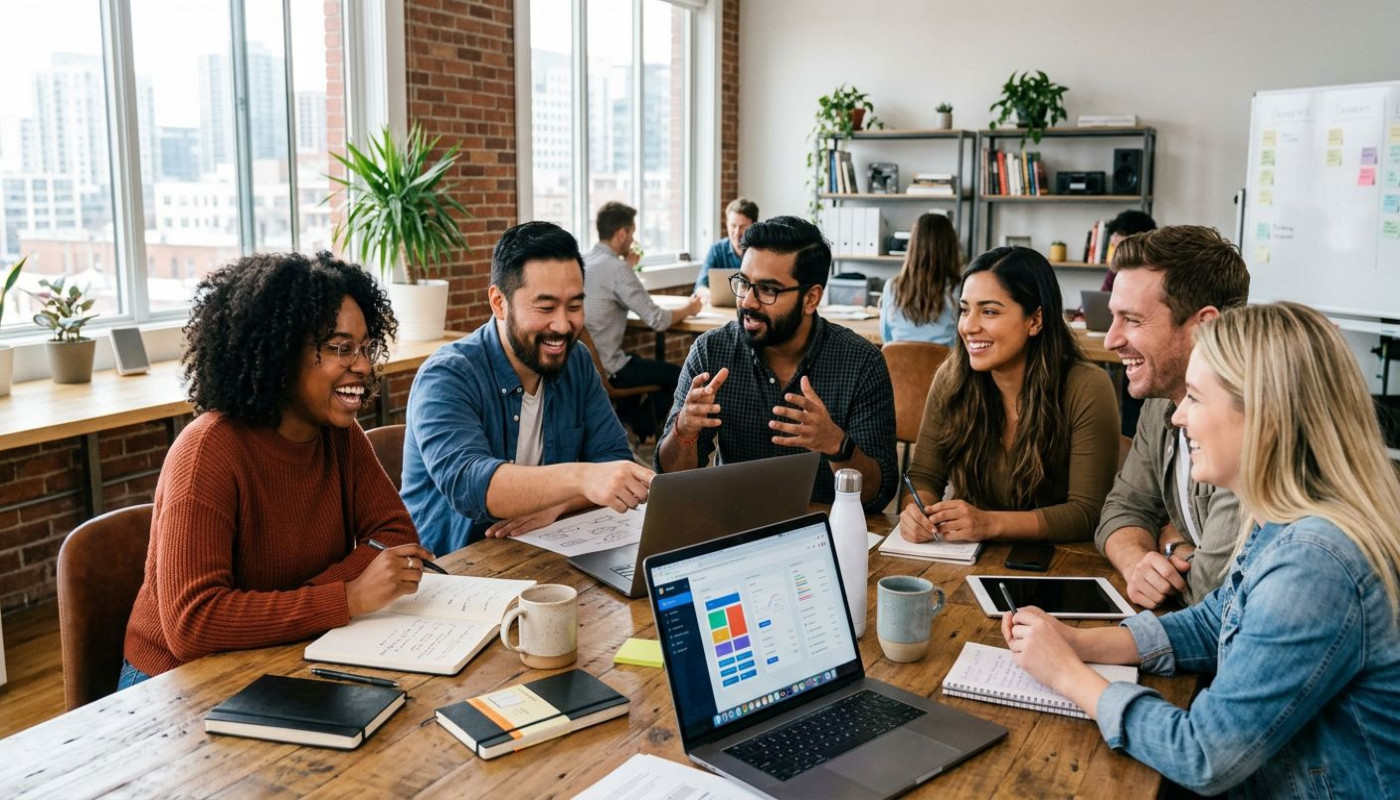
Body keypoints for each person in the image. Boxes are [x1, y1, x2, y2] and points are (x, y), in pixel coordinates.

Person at [1001, 302, 1400, 797]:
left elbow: (1204, 754)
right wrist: (1080, 642)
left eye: (1194, 397)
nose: (1178, 417)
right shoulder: (1284, 515)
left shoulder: (1314, 562)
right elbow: (1217, 622)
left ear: (1264, 417)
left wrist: (1070, 676)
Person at [120, 252, 433, 687]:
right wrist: (345, 596)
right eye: (341, 348)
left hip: (285, 653)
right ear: (280, 355)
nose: (362, 365)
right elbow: (193, 626)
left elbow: (395, 540)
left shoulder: (340, 435)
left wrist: (299, 605)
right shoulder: (207, 452)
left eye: (364, 348)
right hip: (171, 684)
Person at [402, 221, 651, 553]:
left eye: (574, 306)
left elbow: (612, 460)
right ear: (499, 302)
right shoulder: (447, 375)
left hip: (541, 556)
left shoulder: (575, 361)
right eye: (545, 307)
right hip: (456, 574)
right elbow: (472, 486)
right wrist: (581, 480)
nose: (563, 325)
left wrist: (560, 502)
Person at [656, 215, 897, 511]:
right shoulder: (711, 352)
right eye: (744, 283)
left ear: (811, 298)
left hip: (825, 532)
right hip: (735, 527)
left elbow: (876, 496)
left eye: (768, 290)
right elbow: (670, 480)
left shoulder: (861, 363)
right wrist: (684, 430)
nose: (748, 301)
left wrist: (837, 445)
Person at [900, 247, 1119, 543]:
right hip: (964, 558)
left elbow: (1086, 513)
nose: (969, 326)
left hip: (1057, 566)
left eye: (989, 311)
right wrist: (917, 510)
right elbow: (925, 476)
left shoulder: (1086, 387)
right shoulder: (952, 377)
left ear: (1035, 320)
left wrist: (988, 523)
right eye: (965, 309)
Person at [1094, 226, 1249, 608]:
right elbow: (1122, 509)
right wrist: (1138, 562)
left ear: (1205, 325)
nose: (1110, 340)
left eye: (1131, 319)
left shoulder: (1246, 423)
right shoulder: (1161, 401)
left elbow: (1210, 596)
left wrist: (1169, 544)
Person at [583, 201, 701, 439]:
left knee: (637, 361)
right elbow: (658, 320)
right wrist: (690, 307)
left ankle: (627, 425)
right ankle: (643, 428)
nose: (632, 239)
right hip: (609, 369)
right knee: (678, 376)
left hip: (587, 365)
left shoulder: (585, 261)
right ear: (622, 233)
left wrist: (625, 267)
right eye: (632, 233)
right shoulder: (617, 270)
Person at [879, 212, 963, 345]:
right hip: (947, 365)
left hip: (900, 364)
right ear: (951, 247)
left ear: (912, 245)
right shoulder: (960, 289)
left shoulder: (892, 287)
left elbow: (887, 338)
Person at [693, 197, 758, 299]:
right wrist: (713, 297)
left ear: (753, 226)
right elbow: (700, 287)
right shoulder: (717, 249)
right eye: (733, 226)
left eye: (742, 227)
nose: (737, 233)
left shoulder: (762, 252)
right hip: (723, 311)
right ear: (726, 224)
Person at [1097, 210, 1156, 292]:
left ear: (1137, 237)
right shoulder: (1116, 268)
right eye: (1113, 234)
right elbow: (1102, 296)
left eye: (1118, 234)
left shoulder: (1155, 271)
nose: (1112, 240)